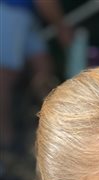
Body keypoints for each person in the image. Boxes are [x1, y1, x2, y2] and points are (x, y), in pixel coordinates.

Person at [0, 0, 73, 152]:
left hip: (25, 13)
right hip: (10, 10)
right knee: (4, 78)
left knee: (43, 68)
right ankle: (6, 140)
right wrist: (61, 26)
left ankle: (59, 127)